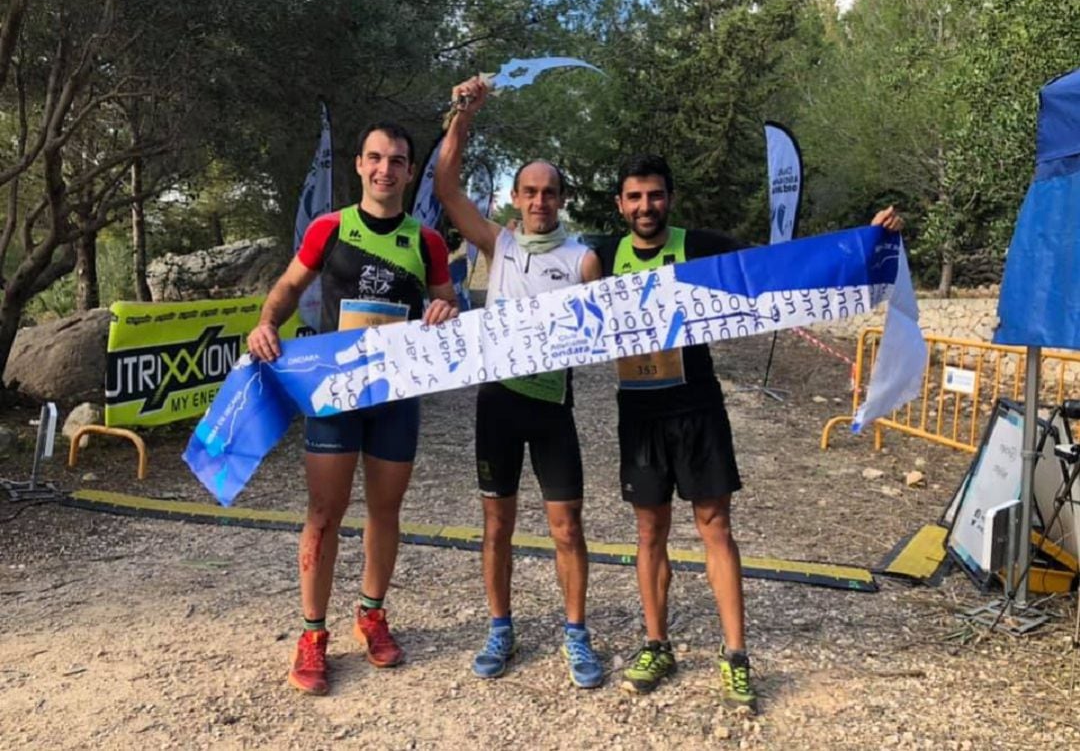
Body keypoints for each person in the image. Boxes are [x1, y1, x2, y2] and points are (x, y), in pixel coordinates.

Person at [597, 154, 902, 710]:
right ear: (620, 204)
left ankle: (736, 654)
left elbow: (785, 267)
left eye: (656, 195)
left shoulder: (701, 245)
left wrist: (866, 240)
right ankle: (656, 643)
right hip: (638, 413)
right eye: (635, 197)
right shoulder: (600, 256)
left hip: (697, 407)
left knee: (714, 527)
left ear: (671, 197)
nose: (646, 207)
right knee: (649, 534)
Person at [247, 121, 459, 696]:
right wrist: (267, 323)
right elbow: (290, 286)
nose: (385, 169)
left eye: (397, 160)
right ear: (360, 166)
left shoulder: (427, 240)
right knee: (324, 513)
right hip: (336, 393)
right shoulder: (330, 227)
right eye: (375, 158)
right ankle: (313, 635)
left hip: (394, 393)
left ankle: (371, 614)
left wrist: (444, 311)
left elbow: (446, 301)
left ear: (410, 172)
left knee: (385, 512)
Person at [433, 76, 605, 688]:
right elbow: (445, 186)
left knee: (566, 528)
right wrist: (463, 115)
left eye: (549, 192)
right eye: (530, 191)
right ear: (515, 197)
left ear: (561, 199)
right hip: (497, 403)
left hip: (552, 407)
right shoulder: (499, 245)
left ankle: (576, 634)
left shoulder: (583, 259)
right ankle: (500, 627)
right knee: (497, 525)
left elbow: (609, 327)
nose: (539, 201)